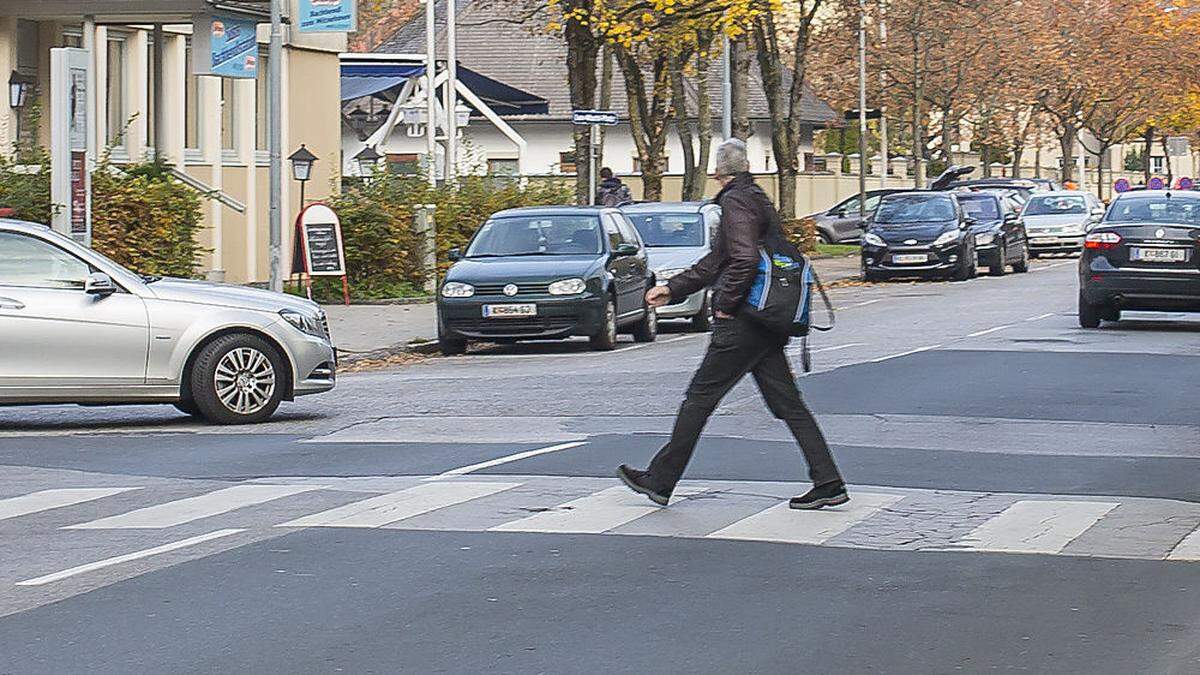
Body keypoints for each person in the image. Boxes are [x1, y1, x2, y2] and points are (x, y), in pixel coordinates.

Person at [616, 139, 848, 510]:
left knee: (700, 398)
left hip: (744, 321)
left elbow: (739, 260)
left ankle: (660, 480)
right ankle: (829, 481)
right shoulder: (755, 196)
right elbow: (719, 259)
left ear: (718, 173)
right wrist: (673, 289)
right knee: (789, 405)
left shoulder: (735, 201)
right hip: (765, 320)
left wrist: (725, 306)